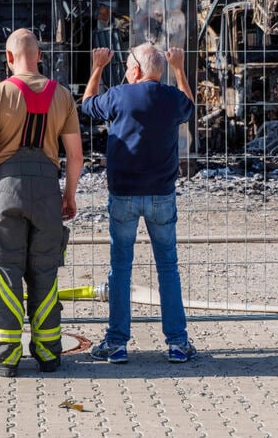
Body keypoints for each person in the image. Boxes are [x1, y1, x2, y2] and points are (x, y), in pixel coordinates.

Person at [0, 28, 83, 377]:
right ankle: (49, 353)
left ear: (8, 57)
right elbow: (76, 156)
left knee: (5, 273)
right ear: (39, 56)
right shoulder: (63, 95)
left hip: (5, 191)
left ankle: (3, 357)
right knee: (45, 273)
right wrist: (68, 195)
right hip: (48, 193)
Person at [81, 43, 198, 364]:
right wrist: (179, 69)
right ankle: (177, 342)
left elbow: (87, 105)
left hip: (124, 194)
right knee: (168, 268)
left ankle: (116, 342)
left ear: (135, 70)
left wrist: (98, 66)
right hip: (162, 194)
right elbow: (190, 106)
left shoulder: (119, 95)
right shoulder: (172, 98)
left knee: (120, 269)